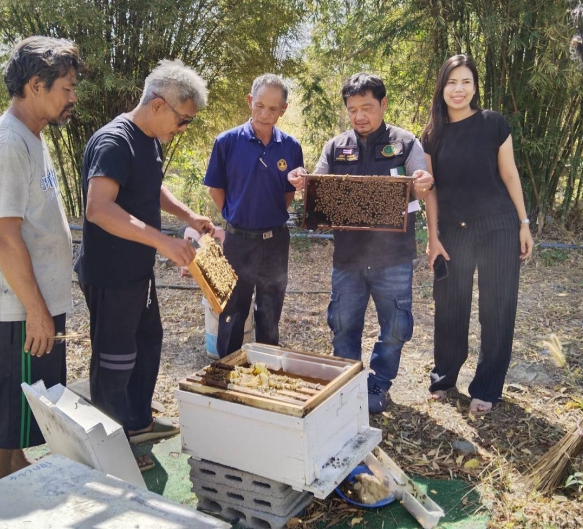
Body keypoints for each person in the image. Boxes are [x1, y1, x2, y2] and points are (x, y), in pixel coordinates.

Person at [74, 60, 213, 450]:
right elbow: (98, 208)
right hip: (111, 273)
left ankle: (136, 423)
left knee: (148, 342)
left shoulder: (148, 139)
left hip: (137, 270)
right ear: (157, 104)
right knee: (115, 359)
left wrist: (186, 214)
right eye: (183, 120)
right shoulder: (114, 141)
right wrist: (163, 241)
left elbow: (150, 187)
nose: (183, 129)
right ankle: (108, 444)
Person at [0, 36, 82, 482]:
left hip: (34, 305)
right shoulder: (7, 145)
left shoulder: (31, 138)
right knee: (1, 417)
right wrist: (36, 311)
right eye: (66, 88)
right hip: (18, 311)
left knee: (24, 409)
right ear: (36, 85)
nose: (72, 97)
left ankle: (18, 478)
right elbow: (3, 235)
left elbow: (6, 219)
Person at [288, 73, 434, 413]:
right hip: (348, 258)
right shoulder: (336, 146)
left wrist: (424, 181)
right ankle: (347, 385)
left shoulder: (406, 142)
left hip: (393, 258)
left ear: (383, 104)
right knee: (342, 326)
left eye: (367, 107)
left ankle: (379, 385)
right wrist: (302, 182)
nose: (359, 116)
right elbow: (318, 185)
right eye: (353, 110)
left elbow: (420, 182)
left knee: (396, 328)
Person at [421, 54, 533, 416]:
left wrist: (523, 223)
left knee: (497, 309)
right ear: (442, 87)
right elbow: (431, 190)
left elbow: (510, 175)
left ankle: (486, 387)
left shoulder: (493, 124)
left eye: (466, 82)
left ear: (475, 87)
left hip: (498, 227)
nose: (459, 89)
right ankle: (444, 377)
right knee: (450, 307)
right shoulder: (432, 134)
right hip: (453, 231)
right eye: (452, 82)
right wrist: (432, 236)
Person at [203, 74, 304, 358]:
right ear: (250, 101)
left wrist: (270, 215)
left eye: (273, 109)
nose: (265, 114)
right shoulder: (227, 142)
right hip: (238, 241)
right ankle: (227, 369)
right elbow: (216, 187)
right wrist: (233, 214)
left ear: (283, 109)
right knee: (231, 311)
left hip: (275, 241)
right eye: (259, 106)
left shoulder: (290, 147)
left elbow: (288, 193)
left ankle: (266, 368)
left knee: (270, 310)